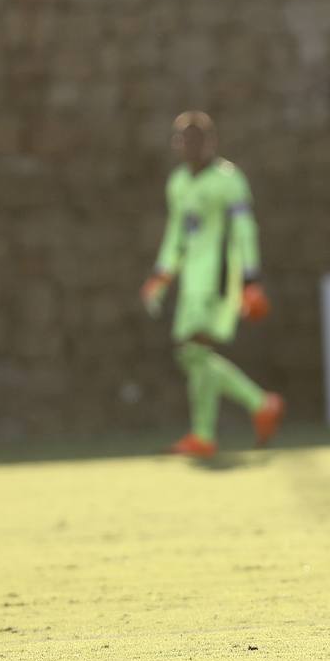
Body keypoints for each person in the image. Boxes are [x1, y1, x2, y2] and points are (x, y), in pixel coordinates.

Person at [140, 111, 284, 458]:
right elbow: (177, 234)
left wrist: (251, 279)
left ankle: (207, 434)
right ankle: (257, 406)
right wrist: (163, 273)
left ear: (211, 142)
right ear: (176, 145)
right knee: (192, 355)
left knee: (194, 349)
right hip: (193, 280)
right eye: (183, 139)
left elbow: (245, 230)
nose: (189, 146)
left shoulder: (228, 180)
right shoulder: (178, 183)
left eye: (197, 139)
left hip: (220, 278)